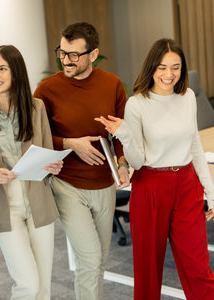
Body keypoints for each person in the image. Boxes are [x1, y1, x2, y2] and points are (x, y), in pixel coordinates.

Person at [95, 38, 214, 300]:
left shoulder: (188, 97)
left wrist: (210, 190)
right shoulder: (137, 104)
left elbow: (194, 144)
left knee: (197, 266)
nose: (169, 74)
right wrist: (124, 135)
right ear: (151, 68)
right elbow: (137, 162)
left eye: (175, 67)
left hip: (186, 184)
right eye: (162, 67)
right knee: (148, 271)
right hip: (150, 185)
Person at [33, 22, 129, 300]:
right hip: (67, 185)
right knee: (89, 258)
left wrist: (122, 162)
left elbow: (121, 133)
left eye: (74, 54)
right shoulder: (46, 89)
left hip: (104, 184)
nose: (66, 60)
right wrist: (69, 143)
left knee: (99, 260)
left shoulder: (112, 85)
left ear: (93, 53)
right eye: (62, 53)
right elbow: (33, 137)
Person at [0, 45, 63, 299]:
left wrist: (53, 166)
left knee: (43, 288)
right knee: (28, 285)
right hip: (4, 207)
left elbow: (46, 154)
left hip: (38, 204)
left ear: (16, 73)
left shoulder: (36, 108)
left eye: (2, 68)